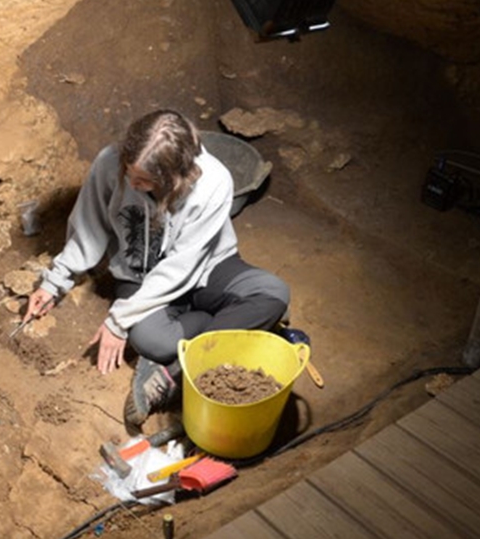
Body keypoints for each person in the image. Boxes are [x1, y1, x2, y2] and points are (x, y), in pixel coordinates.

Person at [23, 110, 289, 431]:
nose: (132, 183)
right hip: (141, 274)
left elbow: (183, 266)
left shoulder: (213, 182)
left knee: (273, 293)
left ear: (176, 177)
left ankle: (174, 372)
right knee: (152, 341)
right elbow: (89, 228)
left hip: (205, 267)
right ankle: (225, 332)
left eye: (145, 181)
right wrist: (55, 282)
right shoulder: (110, 162)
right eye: (129, 172)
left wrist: (118, 320)